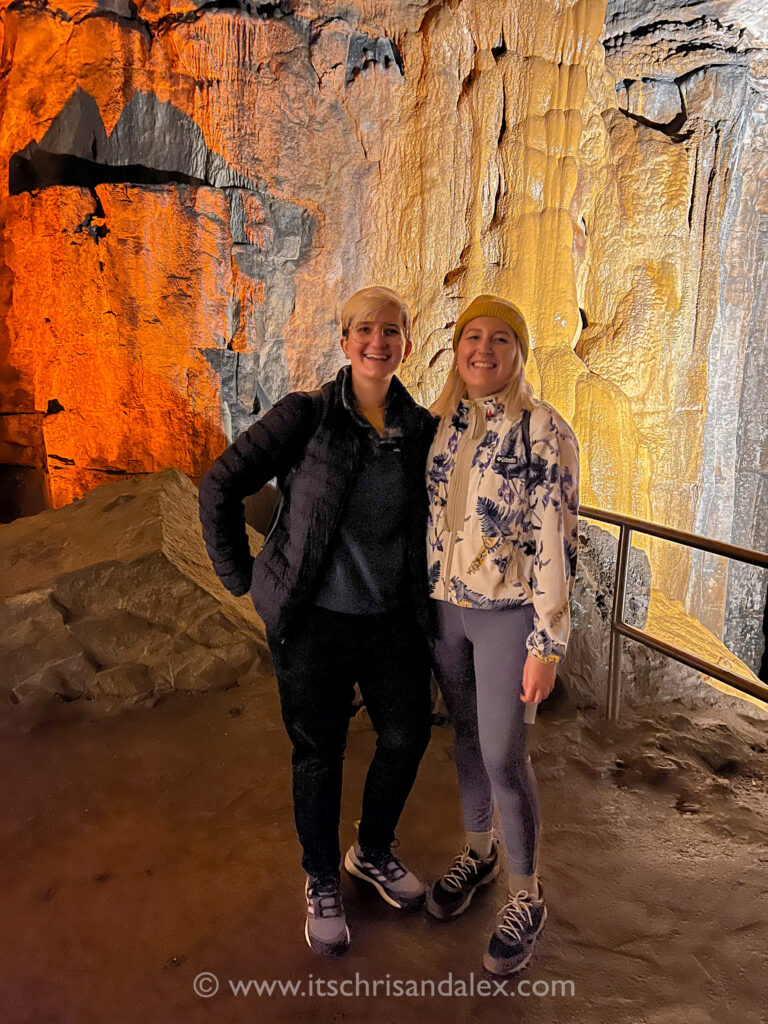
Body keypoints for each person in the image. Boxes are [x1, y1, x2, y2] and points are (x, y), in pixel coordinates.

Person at [199, 287, 436, 957]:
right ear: (344, 341)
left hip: (391, 622)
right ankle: (322, 878)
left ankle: (372, 850)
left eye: (391, 330)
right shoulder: (306, 416)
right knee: (319, 754)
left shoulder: (418, 430)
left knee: (407, 734)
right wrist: (241, 577)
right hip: (315, 622)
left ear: (407, 345)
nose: (378, 341)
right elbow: (220, 484)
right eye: (365, 329)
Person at [424, 295, 579, 976]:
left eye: (500, 340)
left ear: (519, 354)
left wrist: (547, 642)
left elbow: (556, 537)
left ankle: (526, 894)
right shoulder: (439, 424)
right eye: (472, 337)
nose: (483, 350)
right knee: (464, 738)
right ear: (456, 349)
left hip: (508, 611)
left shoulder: (545, 430)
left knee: (503, 754)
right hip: (443, 608)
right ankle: (478, 852)